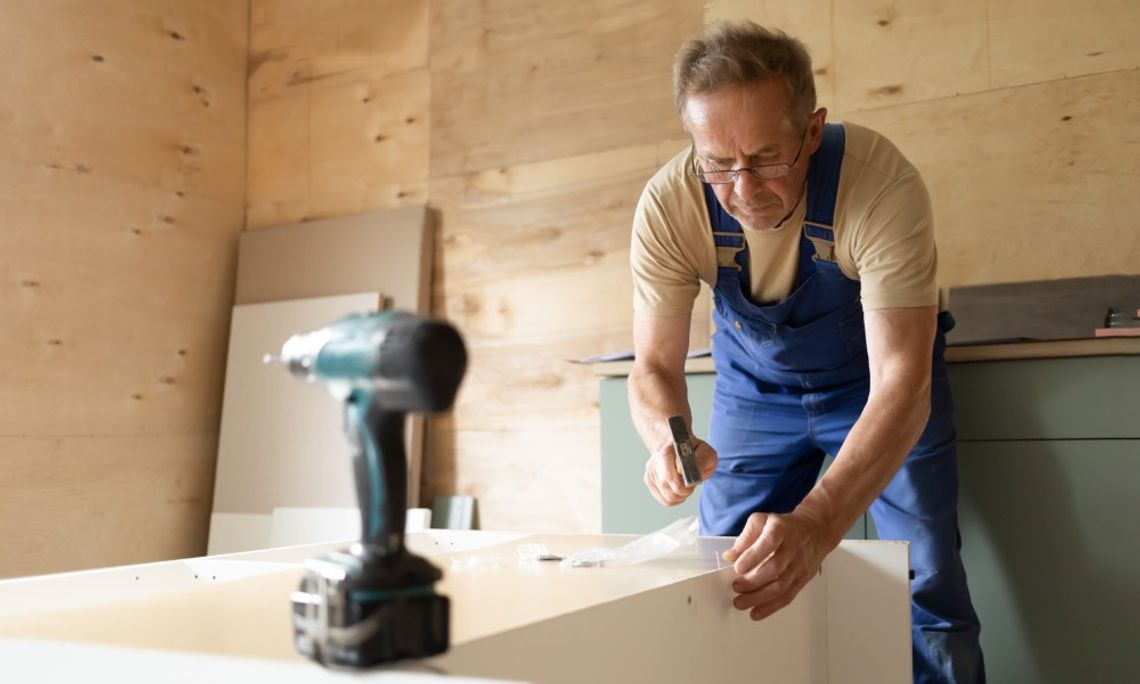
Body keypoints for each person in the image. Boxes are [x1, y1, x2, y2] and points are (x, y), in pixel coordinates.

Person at [627, 20, 984, 683]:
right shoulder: (670, 205)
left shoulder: (878, 184)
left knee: (925, 573)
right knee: (724, 569)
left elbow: (903, 379)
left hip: (876, 388)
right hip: (755, 389)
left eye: (767, 158)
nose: (744, 189)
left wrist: (819, 523)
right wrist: (666, 438)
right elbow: (652, 366)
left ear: (812, 131)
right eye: (718, 164)